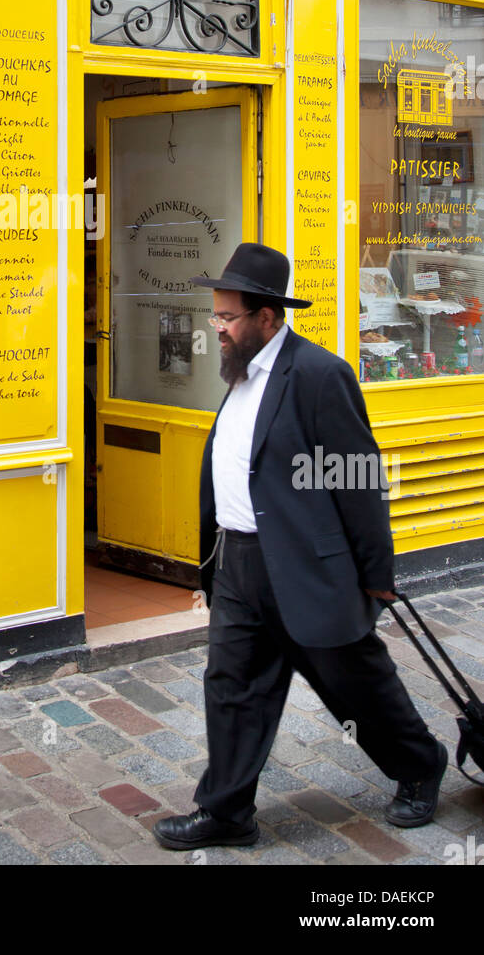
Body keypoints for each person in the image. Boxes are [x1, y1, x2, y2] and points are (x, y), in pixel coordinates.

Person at [153, 243, 447, 852]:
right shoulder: (239, 373)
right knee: (231, 686)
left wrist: (375, 572)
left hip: (311, 571)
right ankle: (227, 811)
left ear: (267, 317)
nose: (218, 329)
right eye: (216, 317)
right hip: (239, 565)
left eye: (228, 318)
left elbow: (357, 480)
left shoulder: (318, 375)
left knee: (355, 686)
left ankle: (420, 764)